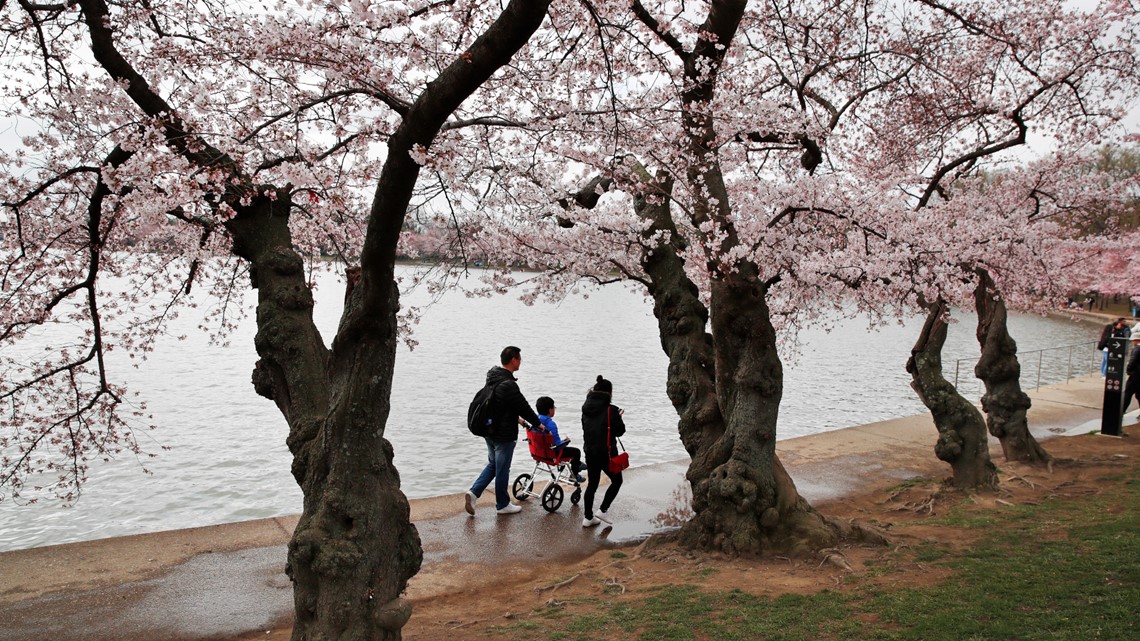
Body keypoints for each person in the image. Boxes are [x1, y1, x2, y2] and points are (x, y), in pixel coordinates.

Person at [464, 346, 542, 516]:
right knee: (502, 469)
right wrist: (538, 424)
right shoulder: (508, 384)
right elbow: (523, 406)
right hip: (503, 434)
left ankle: (474, 493)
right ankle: (502, 504)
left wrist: (518, 420)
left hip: (489, 431)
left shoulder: (493, 378)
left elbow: (500, 405)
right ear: (513, 359)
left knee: (493, 464)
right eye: (519, 358)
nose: (521, 361)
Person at [580, 375, 626, 528]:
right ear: (609, 393)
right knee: (617, 481)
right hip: (607, 453)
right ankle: (602, 510)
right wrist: (618, 417)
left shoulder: (585, 408)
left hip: (590, 451)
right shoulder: (611, 410)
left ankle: (588, 518)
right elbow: (620, 431)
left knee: (592, 484)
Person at [534, 396, 585, 483]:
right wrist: (565, 442)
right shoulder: (550, 424)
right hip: (552, 454)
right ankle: (575, 474)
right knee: (576, 452)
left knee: (569, 452)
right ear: (550, 410)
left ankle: (578, 464)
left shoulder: (534, 421)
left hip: (538, 452)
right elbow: (557, 446)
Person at [1122, 336, 1140, 417]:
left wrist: (1128, 370)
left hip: (1135, 375)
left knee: (1128, 393)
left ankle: (1121, 412)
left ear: (1136, 340)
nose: (1132, 342)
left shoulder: (1137, 349)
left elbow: (1132, 361)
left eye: (1133, 340)